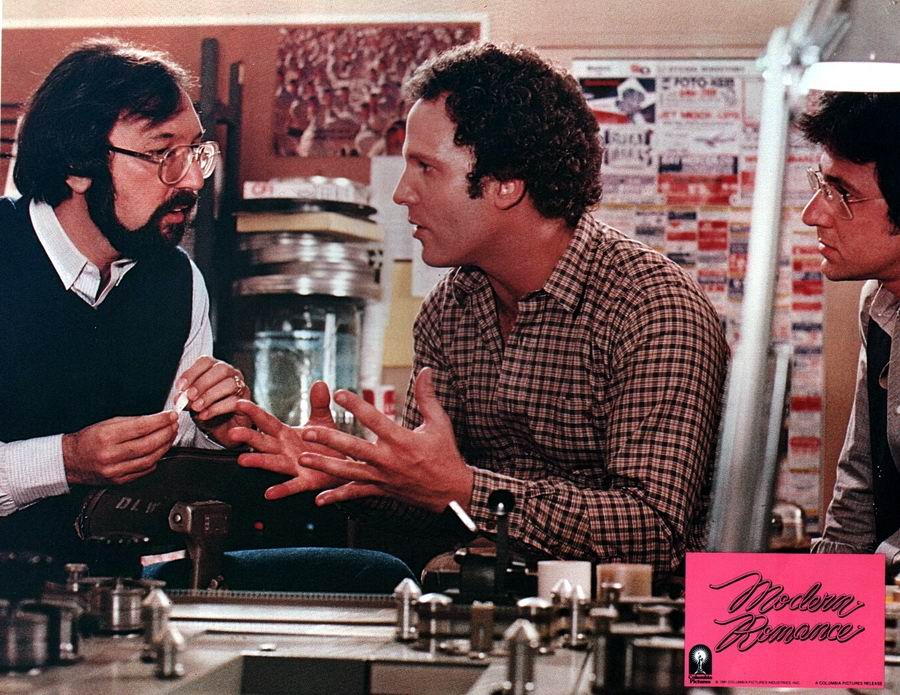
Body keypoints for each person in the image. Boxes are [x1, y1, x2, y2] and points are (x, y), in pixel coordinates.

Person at [231, 42, 728, 587]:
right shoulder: (450, 309)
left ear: (506, 185)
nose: (401, 193)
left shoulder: (652, 308)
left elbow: (655, 531)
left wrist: (467, 490)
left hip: (618, 622)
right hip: (485, 606)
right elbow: (426, 500)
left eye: (425, 167)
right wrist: (349, 467)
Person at [0, 38, 413, 591]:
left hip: (115, 588)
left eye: (196, 152)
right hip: (14, 594)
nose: (193, 180)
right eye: (162, 153)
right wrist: (66, 460)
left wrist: (221, 431)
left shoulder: (177, 280)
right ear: (77, 165)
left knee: (373, 577)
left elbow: (178, 455)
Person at [803, 92, 900, 571]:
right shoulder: (878, 304)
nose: (813, 214)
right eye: (821, 184)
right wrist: (824, 587)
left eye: (841, 193)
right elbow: (859, 491)